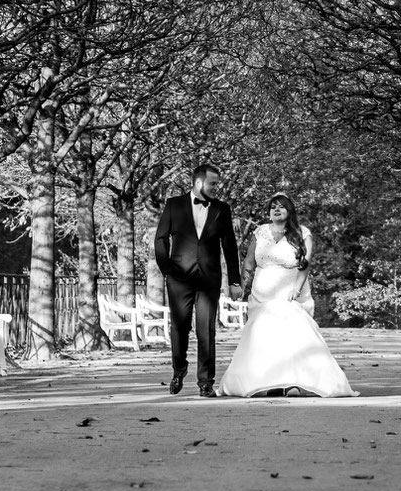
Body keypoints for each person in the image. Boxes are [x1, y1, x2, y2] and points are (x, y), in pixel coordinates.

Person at [220, 194, 356, 398]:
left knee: (292, 338)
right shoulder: (260, 232)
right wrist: (241, 285)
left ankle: (294, 381)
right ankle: (268, 382)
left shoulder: (303, 233)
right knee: (264, 339)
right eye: (273, 207)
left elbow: (305, 264)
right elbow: (249, 262)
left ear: (289, 211)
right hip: (262, 294)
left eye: (281, 207)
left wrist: (297, 288)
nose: (276, 210)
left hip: (290, 292)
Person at [152, 160, 243, 397]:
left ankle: (206, 382)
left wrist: (234, 281)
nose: (216, 188)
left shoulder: (222, 209)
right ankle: (178, 370)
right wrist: (167, 270)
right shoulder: (174, 205)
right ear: (199, 182)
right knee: (180, 327)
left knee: (206, 329)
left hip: (209, 278)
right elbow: (161, 239)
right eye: (213, 183)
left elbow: (230, 246)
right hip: (179, 278)